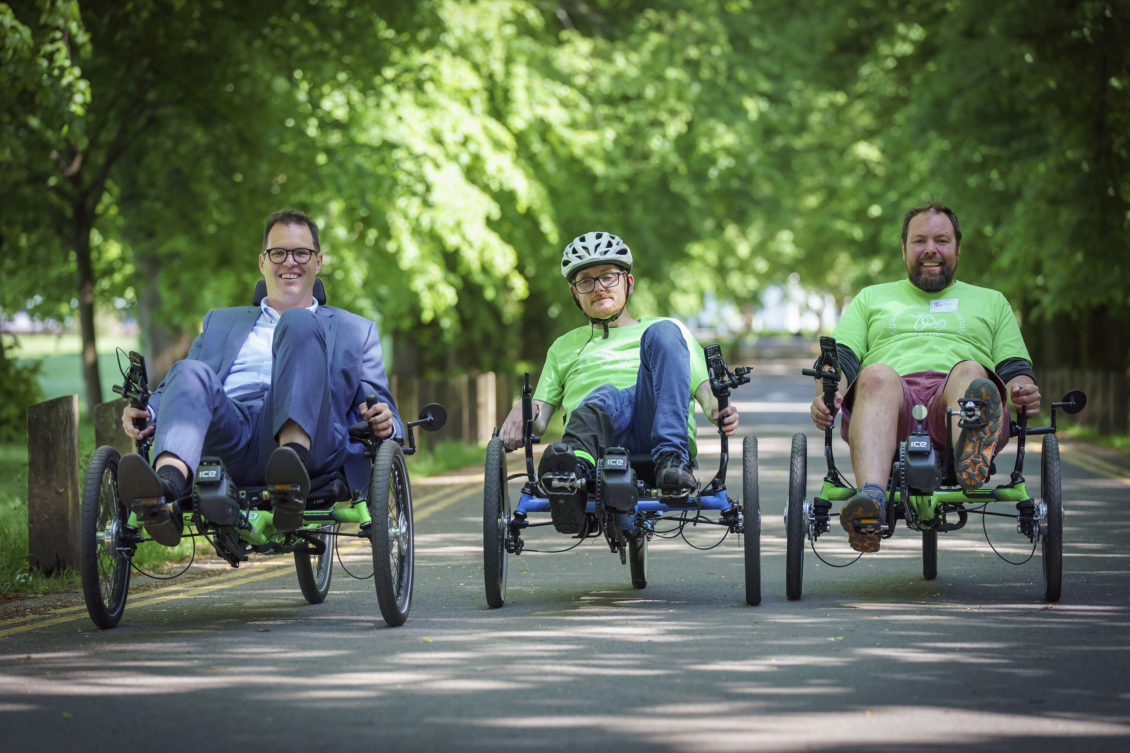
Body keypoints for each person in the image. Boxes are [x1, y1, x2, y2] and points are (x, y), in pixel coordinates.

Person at [118, 208, 402, 545]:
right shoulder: (219, 322)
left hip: (313, 438)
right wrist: (149, 411)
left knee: (298, 322)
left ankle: (291, 470)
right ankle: (164, 491)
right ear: (262, 263)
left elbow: (383, 407)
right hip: (231, 430)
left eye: (301, 253)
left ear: (318, 261)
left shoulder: (356, 330)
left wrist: (387, 421)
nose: (289, 262)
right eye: (278, 253)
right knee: (188, 369)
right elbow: (183, 388)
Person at [810, 202, 1041, 553]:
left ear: (958, 248)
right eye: (919, 241)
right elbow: (838, 360)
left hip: (954, 401)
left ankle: (970, 457)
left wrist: (1023, 391)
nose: (930, 249)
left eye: (941, 240)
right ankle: (870, 503)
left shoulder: (991, 302)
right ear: (903, 248)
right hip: (889, 406)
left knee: (970, 372)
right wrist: (827, 394)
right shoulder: (871, 298)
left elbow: (1013, 369)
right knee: (874, 375)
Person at [499, 231, 740, 534]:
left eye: (609, 277)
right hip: (595, 442)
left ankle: (671, 462)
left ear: (629, 283)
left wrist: (720, 409)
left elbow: (706, 393)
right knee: (602, 399)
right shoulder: (564, 346)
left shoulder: (667, 332)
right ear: (575, 293)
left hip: (653, 435)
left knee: (659, 337)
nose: (598, 288)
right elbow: (540, 416)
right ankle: (574, 476)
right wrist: (519, 415)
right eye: (586, 281)